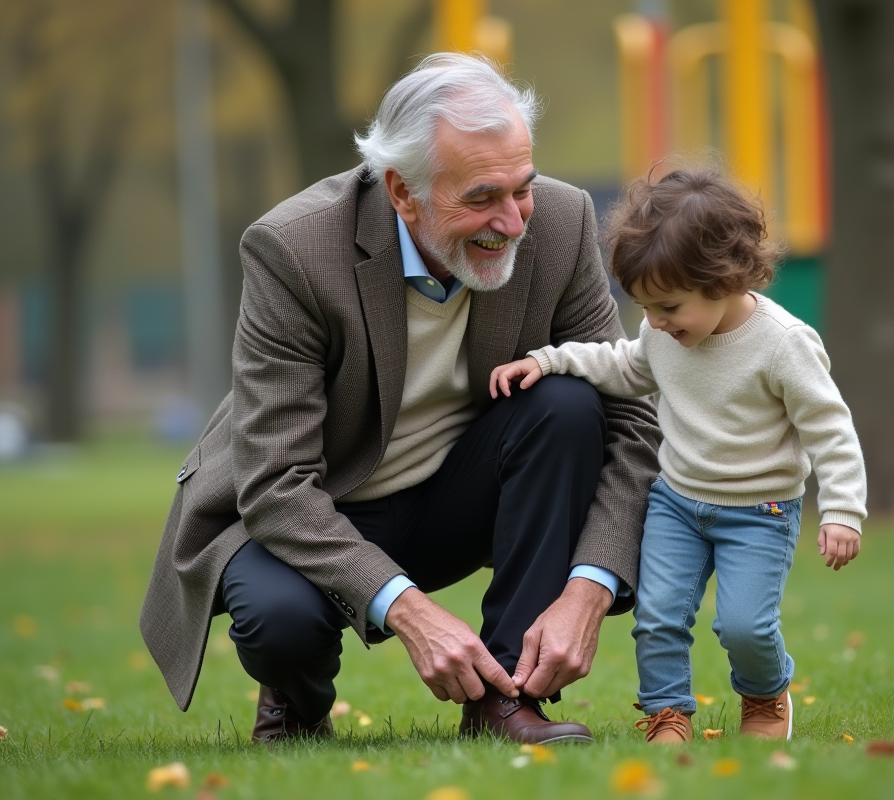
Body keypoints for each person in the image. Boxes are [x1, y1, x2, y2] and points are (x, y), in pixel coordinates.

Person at [139, 54, 660, 745]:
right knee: (279, 623)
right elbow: (275, 484)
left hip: (456, 495)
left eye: (522, 189)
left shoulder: (562, 223)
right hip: (314, 503)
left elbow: (631, 418)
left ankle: (508, 701)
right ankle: (294, 705)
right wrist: (408, 610)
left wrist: (589, 587)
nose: (512, 222)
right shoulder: (292, 249)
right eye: (481, 197)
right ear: (402, 192)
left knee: (568, 403)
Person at [491, 166, 867, 743]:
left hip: (760, 512)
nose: (656, 323)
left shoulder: (783, 344)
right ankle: (667, 711)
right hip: (677, 504)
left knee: (744, 626)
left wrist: (842, 509)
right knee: (658, 617)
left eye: (668, 306)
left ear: (724, 279)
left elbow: (830, 428)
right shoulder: (662, 335)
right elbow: (622, 365)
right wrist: (549, 360)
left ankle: (765, 695)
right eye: (645, 308)